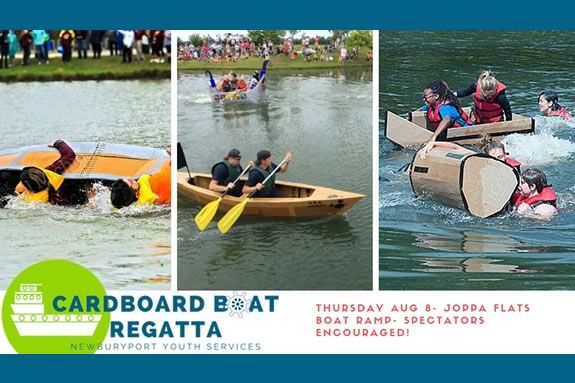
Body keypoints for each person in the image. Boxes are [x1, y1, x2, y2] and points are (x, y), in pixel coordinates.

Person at [15, 140, 91, 206]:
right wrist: (58, 142)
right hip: (71, 201)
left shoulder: (26, 203)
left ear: (29, 190)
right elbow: (69, 154)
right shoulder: (53, 171)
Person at [420, 80, 472, 145]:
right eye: (423, 97)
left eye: (426, 97)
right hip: (447, 136)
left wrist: (434, 136)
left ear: (436, 96)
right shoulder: (431, 106)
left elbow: (447, 119)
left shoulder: (445, 107)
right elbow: (418, 111)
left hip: (464, 135)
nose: (424, 100)